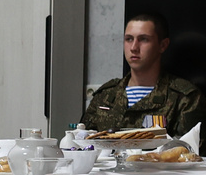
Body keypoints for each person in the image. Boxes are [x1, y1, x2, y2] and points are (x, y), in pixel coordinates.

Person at [82, 12, 205, 140]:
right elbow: (83, 142)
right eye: (129, 39)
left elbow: (191, 149)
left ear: (162, 45)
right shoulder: (105, 95)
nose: (134, 48)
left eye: (143, 39)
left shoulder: (184, 98)